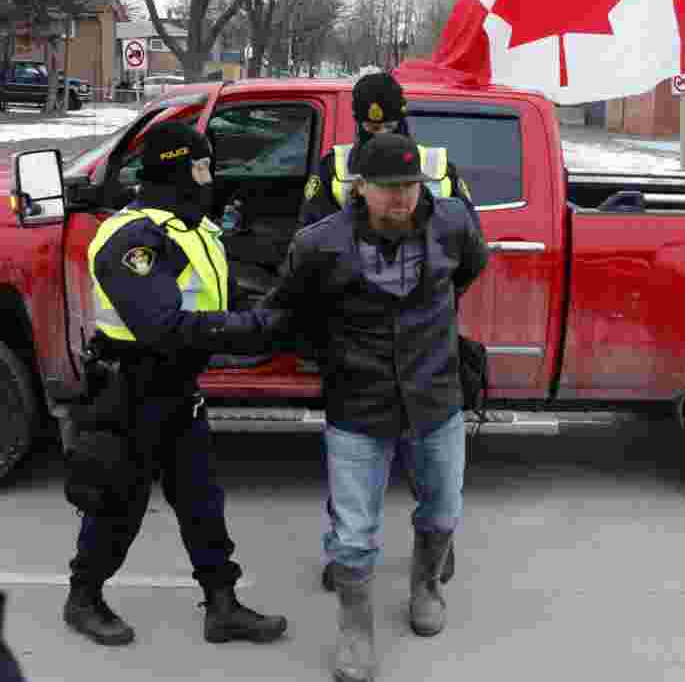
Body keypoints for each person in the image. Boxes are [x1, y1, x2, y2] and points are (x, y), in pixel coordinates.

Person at [264, 133, 489, 682]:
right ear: (359, 186)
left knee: (442, 511)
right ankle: (355, 628)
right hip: (358, 406)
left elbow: (468, 271)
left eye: (410, 186)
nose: (402, 198)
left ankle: (426, 586)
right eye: (388, 188)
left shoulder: (454, 223)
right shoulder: (320, 243)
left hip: (435, 399)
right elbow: (290, 312)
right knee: (352, 535)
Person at [64, 120, 292, 648]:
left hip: (179, 389)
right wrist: (250, 330)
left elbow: (224, 302)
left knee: (201, 502)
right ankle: (83, 597)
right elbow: (161, 325)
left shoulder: (197, 230)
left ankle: (222, 605)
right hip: (132, 390)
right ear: (173, 169)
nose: (209, 176)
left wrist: (279, 318)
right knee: (119, 502)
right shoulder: (132, 238)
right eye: (201, 165)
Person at [297, 71, 471, 594]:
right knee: (354, 464)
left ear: (400, 115)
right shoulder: (335, 166)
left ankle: (436, 545)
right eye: (369, 123)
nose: (375, 133)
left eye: (385, 122)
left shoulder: (433, 166)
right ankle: (347, 549)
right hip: (355, 340)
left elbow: (465, 247)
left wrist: (429, 304)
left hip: (421, 338)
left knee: (431, 460)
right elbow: (313, 242)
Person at [297, 71, 471, 229]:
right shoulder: (333, 168)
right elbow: (311, 238)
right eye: (373, 128)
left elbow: (467, 236)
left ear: (402, 122)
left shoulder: (438, 167)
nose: (381, 136)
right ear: (359, 125)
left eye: (389, 126)